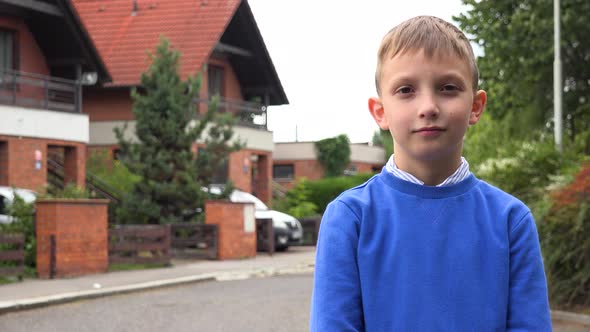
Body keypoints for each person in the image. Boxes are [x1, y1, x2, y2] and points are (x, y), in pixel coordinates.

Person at [309, 16, 551, 331]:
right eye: (406, 90)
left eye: (448, 88)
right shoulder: (349, 218)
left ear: (475, 106)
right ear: (380, 111)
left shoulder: (510, 221)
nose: (428, 106)